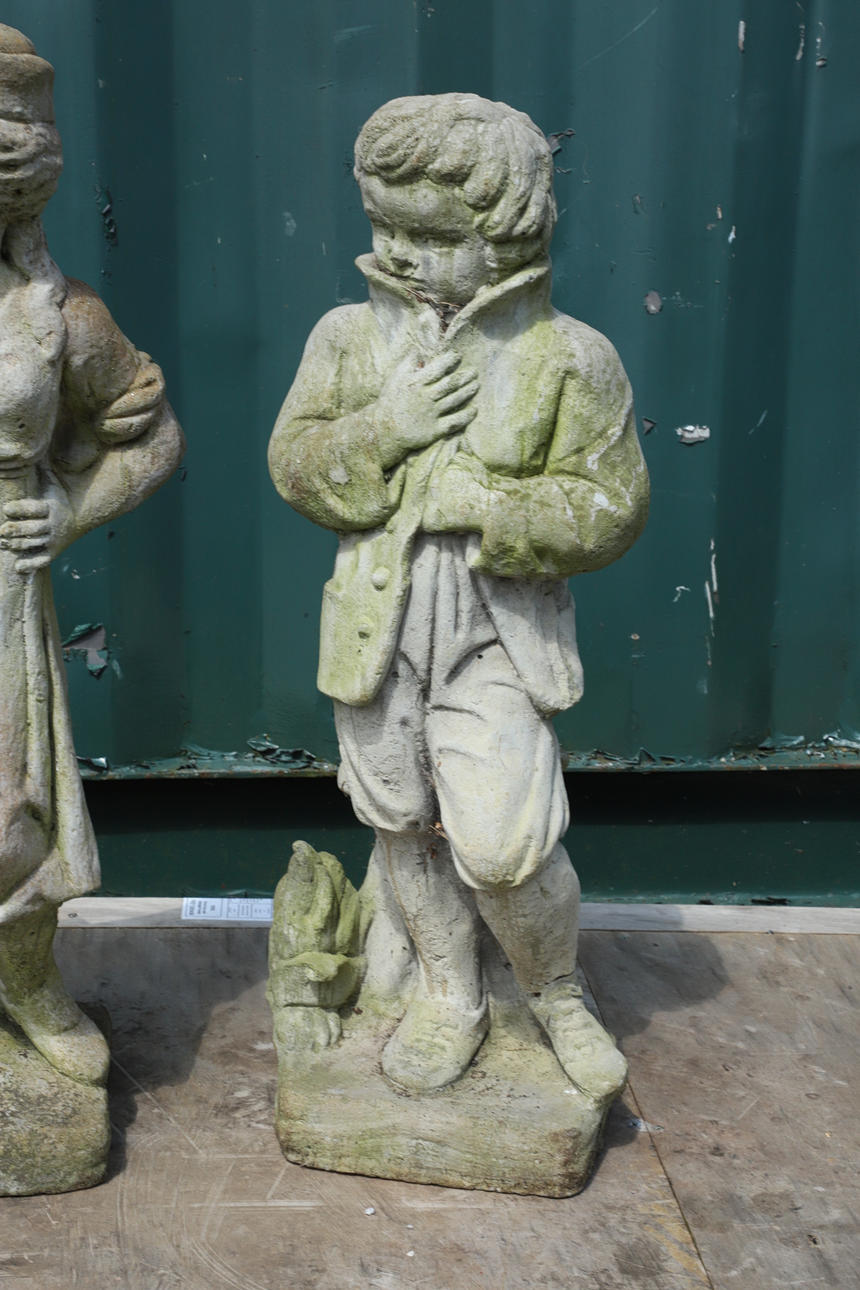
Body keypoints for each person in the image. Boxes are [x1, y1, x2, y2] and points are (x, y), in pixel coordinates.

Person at [269, 93, 648, 1101]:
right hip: (377, 631)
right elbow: (295, 465)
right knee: (401, 820)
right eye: (384, 227)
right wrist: (384, 429)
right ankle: (448, 994)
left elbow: (611, 508)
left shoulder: (569, 358)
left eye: (434, 238)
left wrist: (487, 502)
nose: (401, 254)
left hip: (495, 639)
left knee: (503, 844)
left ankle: (555, 991)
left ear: (509, 235)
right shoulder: (346, 340)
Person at [0, 26, 184, 1085]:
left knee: (9, 822)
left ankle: (25, 983)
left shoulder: (60, 315)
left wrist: (69, 510)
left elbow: (153, 438)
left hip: (2, 584)